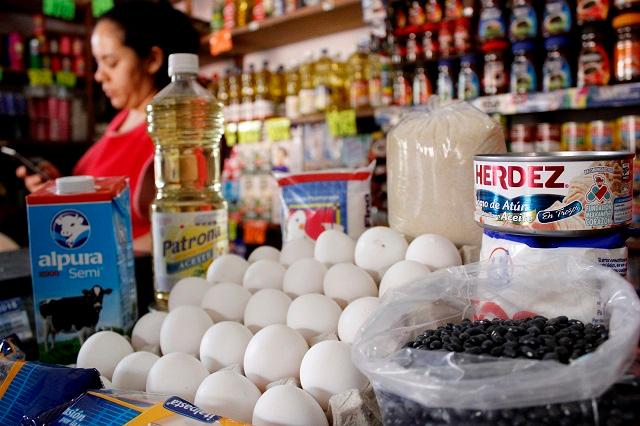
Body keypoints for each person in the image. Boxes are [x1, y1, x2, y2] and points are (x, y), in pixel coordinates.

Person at [16, 0, 200, 252]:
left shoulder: (177, 133)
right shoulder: (124, 118)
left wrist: (112, 264)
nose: (99, 75)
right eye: (98, 63)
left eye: (111, 62)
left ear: (152, 60)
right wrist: (62, 187)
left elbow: (181, 233)